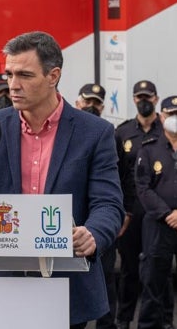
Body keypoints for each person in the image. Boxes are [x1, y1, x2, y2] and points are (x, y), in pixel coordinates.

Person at [0, 31, 124, 328]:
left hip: (65, 282)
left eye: (24, 74)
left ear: (53, 75)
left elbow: (108, 203)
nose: (13, 84)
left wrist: (93, 233)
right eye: (9, 74)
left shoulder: (95, 132)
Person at [114, 80, 174, 329]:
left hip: (159, 214)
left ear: (156, 99)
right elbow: (116, 174)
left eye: (148, 96)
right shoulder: (123, 132)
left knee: (159, 270)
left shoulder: (167, 132)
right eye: (139, 96)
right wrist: (121, 211)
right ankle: (124, 319)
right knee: (128, 268)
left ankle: (165, 319)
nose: (143, 101)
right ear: (133, 99)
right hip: (132, 211)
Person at [134, 95, 177, 329]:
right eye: (171, 114)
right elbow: (142, 187)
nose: (175, 119)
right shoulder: (149, 148)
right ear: (162, 116)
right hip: (158, 225)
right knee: (153, 282)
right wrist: (167, 214)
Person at [75, 83, 116, 329]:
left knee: (107, 277)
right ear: (78, 101)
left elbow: (114, 190)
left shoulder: (104, 134)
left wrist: (99, 229)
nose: (91, 106)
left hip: (91, 233)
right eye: (87, 100)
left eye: (97, 102)